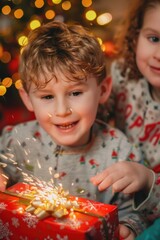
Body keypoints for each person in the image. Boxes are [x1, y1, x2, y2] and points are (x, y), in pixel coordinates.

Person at [0, 20, 148, 239]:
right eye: (47, 96)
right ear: (27, 99)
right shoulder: (15, 140)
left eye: (76, 93)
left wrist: (129, 227)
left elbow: (137, 213)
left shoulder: (119, 151)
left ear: (103, 90)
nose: (62, 110)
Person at [92, 0, 160, 239]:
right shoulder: (123, 74)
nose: (159, 55)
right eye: (154, 39)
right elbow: (91, 116)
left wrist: (145, 178)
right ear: (136, 36)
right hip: (114, 192)